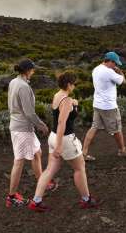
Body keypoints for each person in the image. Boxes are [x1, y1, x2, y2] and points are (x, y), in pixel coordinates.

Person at [28, 72, 101, 212]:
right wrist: (60, 146)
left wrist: (74, 103)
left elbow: (60, 113)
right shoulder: (66, 100)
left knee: (50, 169)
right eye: (73, 84)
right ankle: (86, 199)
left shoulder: (58, 96)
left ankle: (36, 201)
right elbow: (62, 122)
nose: (74, 86)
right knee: (79, 168)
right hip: (65, 139)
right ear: (68, 84)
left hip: (53, 137)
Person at [5, 59, 57, 208]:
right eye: (33, 70)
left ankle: (42, 181)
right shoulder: (23, 87)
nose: (33, 72)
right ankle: (12, 196)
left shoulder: (14, 82)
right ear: (27, 70)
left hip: (18, 125)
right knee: (19, 161)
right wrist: (41, 125)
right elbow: (29, 112)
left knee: (37, 152)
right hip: (22, 128)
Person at [82, 51, 126, 161]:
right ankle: (122, 150)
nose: (115, 65)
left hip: (97, 104)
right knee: (117, 128)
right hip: (108, 106)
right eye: (115, 63)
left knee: (94, 127)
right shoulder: (109, 72)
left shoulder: (96, 69)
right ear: (110, 61)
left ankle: (83, 154)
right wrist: (120, 72)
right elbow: (123, 82)